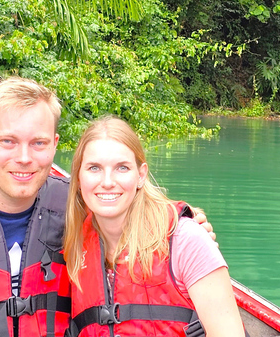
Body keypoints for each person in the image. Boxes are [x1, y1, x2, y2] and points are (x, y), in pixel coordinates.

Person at [0, 77, 213, 337]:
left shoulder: (81, 206)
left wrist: (188, 226)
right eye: (8, 141)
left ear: (54, 144)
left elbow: (135, 209)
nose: (24, 158)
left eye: (38, 143)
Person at [63, 116, 244, 337]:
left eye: (122, 167)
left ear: (140, 175)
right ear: (79, 178)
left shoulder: (185, 239)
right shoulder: (76, 245)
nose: (108, 181)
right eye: (94, 168)